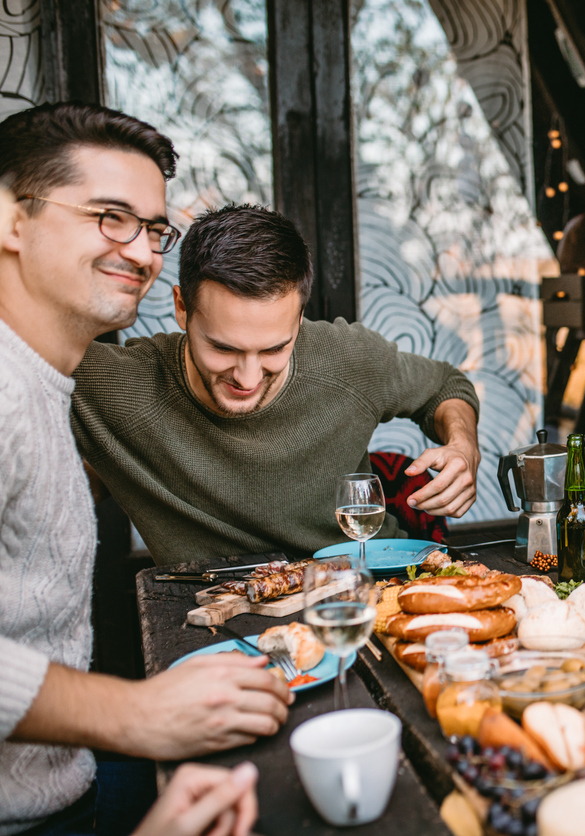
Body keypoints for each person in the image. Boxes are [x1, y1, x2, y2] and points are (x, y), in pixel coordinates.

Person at [0, 103, 284, 835]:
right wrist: (138, 712)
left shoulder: (42, 381)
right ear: (10, 220)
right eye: (108, 217)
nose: (143, 252)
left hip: (67, 780)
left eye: (154, 229)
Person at [70, 203, 481, 566]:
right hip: (222, 623)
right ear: (181, 308)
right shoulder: (114, 384)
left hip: (374, 590)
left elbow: (445, 386)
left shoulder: (347, 358)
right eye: (223, 348)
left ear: (299, 320)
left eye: (273, 350)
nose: (247, 378)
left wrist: (463, 446)